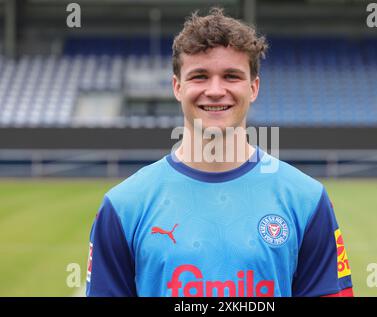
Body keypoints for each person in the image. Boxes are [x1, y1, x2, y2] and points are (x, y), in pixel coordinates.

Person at [86, 8, 353, 297]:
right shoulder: (124, 205)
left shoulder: (307, 200)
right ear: (177, 87)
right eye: (199, 76)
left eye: (231, 76)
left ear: (253, 88)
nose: (215, 90)